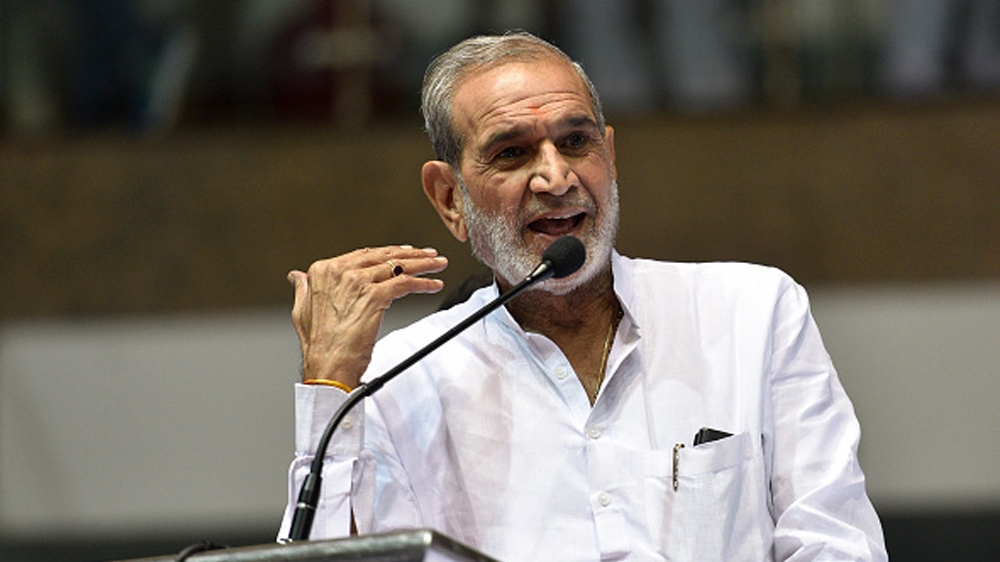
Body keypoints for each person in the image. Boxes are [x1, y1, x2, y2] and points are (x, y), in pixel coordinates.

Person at [279, 31, 887, 561]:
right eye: (512, 152)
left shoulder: (751, 312)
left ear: (609, 157)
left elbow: (836, 542)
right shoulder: (398, 380)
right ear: (450, 198)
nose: (556, 177)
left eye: (575, 142)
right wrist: (329, 386)